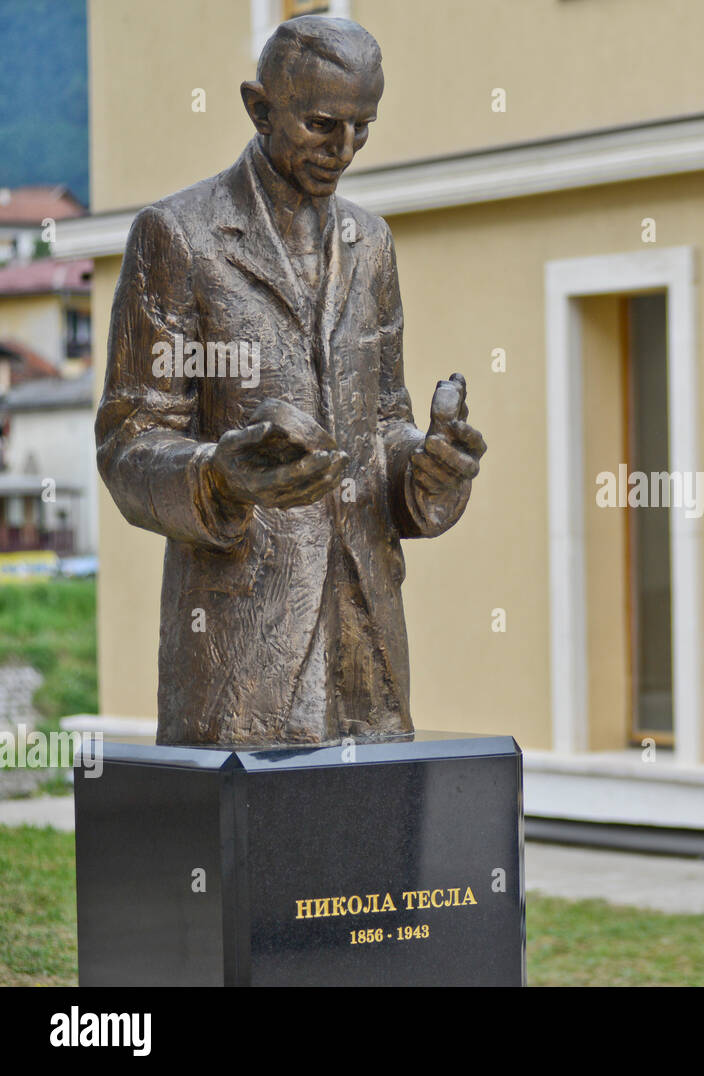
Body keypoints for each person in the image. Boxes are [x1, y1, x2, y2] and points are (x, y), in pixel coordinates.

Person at [95, 16, 485, 745]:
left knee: (380, 853)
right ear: (258, 106)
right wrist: (219, 476)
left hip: (366, 648)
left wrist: (426, 468)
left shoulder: (370, 245)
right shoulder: (178, 237)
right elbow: (127, 442)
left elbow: (383, 427)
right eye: (321, 124)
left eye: (363, 128)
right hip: (241, 652)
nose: (343, 150)